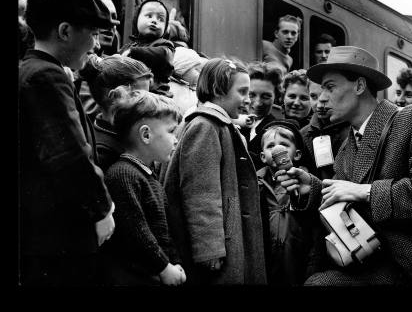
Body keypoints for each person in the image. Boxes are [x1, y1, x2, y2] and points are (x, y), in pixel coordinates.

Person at [276, 46, 412, 285]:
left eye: (330, 87)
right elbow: (348, 199)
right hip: (382, 263)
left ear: (360, 86)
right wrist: (311, 189)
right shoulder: (347, 148)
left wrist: (364, 191)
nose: (321, 99)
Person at [19, 0, 117, 285]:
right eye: (93, 34)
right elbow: (70, 156)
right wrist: (101, 211)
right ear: (65, 32)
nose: (96, 44)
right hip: (58, 237)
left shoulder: (32, 70)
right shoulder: (47, 77)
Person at [164, 57, 267, 285]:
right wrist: (209, 249)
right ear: (217, 90)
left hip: (226, 239)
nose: (248, 100)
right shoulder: (206, 127)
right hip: (219, 248)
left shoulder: (216, 125)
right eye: (242, 92)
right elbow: (201, 194)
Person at [101, 86, 186, 285]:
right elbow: (137, 232)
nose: (176, 140)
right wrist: (164, 268)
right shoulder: (123, 174)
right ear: (146, 135)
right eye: (171, 131)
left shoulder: (149, 176)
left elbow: (166, 232)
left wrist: (175, 262)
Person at [257, 120, 315, 285]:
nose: (277, 149)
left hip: (298, 249)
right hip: (267, 251)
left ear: (296, 154)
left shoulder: (305, 181)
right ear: (262, 156)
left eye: (284, 144)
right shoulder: (256, 182)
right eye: (270, 146)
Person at [78, 55, 153, 172]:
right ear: (114, 97)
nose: (148, 105)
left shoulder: (118, 135)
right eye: (140, 98)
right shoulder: (105, 154)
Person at [120, 0, 175, 97]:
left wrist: (134, 52)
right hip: (132, 95)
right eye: (149, 16)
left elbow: (164, 56)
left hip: (157, 96)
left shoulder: (165, 45)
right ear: (136, 20)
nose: (154, 21)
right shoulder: (129, 46)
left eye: (160, 19)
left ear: (166, 28)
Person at [300, 81, 349, 180]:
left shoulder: (352, 131)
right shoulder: (303, 134)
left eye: (328, 95)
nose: (319, 102)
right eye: (313, 96)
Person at [240, 62, 284, 171]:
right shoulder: (233, 122)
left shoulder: (277, 129)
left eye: (266, 96)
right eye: (252, 95)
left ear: (276, 97)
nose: (258, 103)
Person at [168, 46, 208, 116]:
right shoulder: (174, 89)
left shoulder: (188, 86)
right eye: (196, 69)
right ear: (182, 69)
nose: (200, 72)